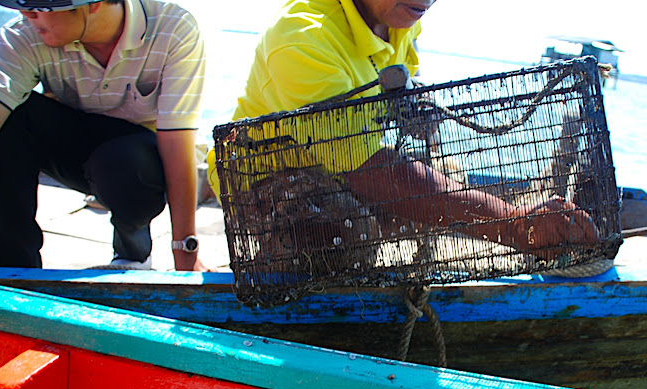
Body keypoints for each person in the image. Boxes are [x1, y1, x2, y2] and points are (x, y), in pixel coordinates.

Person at [209, 0, 598, 260]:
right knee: (347, 228)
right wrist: (512, 224)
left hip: (335, 167)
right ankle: (284, 286)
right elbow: (370, 170)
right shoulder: (302, 38)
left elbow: (403, 78)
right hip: (258, 180)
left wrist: (414, 109)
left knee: (440, 186)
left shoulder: (399, 19)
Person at [0, 0, 209, 271]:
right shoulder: (23, 34)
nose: (26, 13)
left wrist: (186, 253)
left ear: (94, 3)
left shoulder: (173, 29)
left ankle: (133, 254)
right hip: (73, 139)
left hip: (139, 161)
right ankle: (11, 270)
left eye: (41, 5)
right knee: (9, 116)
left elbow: (177, 142)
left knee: (126, 160)